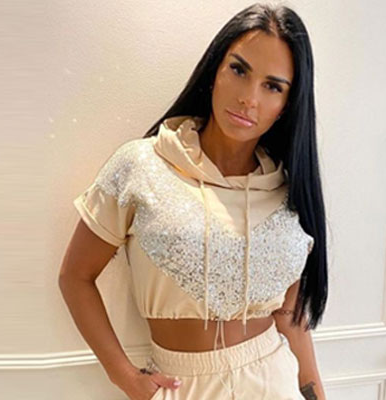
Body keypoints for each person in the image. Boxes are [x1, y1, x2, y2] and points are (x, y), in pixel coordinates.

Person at [59, 3, 328, 399]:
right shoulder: (141, 166)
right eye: (239, 70)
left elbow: (291, 319)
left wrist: (317, 394)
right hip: (181, 385)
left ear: (287, 103)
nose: (248, 98)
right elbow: (75, 276)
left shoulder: (289, 189)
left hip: (274, 380)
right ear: (215, 71)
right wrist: (126, 377)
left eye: (272, 86)